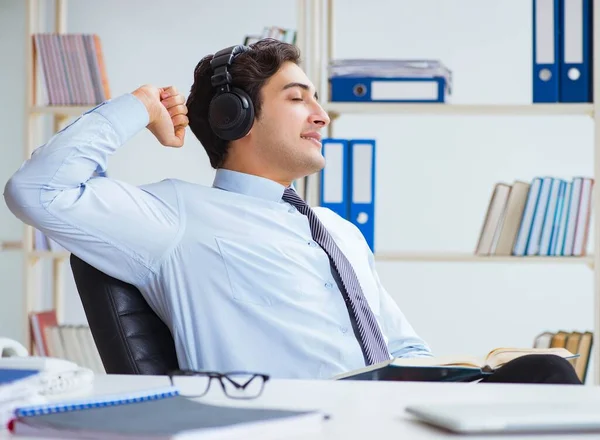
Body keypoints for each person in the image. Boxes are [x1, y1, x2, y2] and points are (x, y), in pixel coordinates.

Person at [3, 39, 581, 384]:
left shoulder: (338, 230)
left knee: (546, 376)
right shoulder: (174, 218)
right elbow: (38, 190)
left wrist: (452, 379)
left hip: (389, 412)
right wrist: (139, 107)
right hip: (304, 422)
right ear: (236, 116)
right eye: (298, 98)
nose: (322, 115)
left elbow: (402, 349)